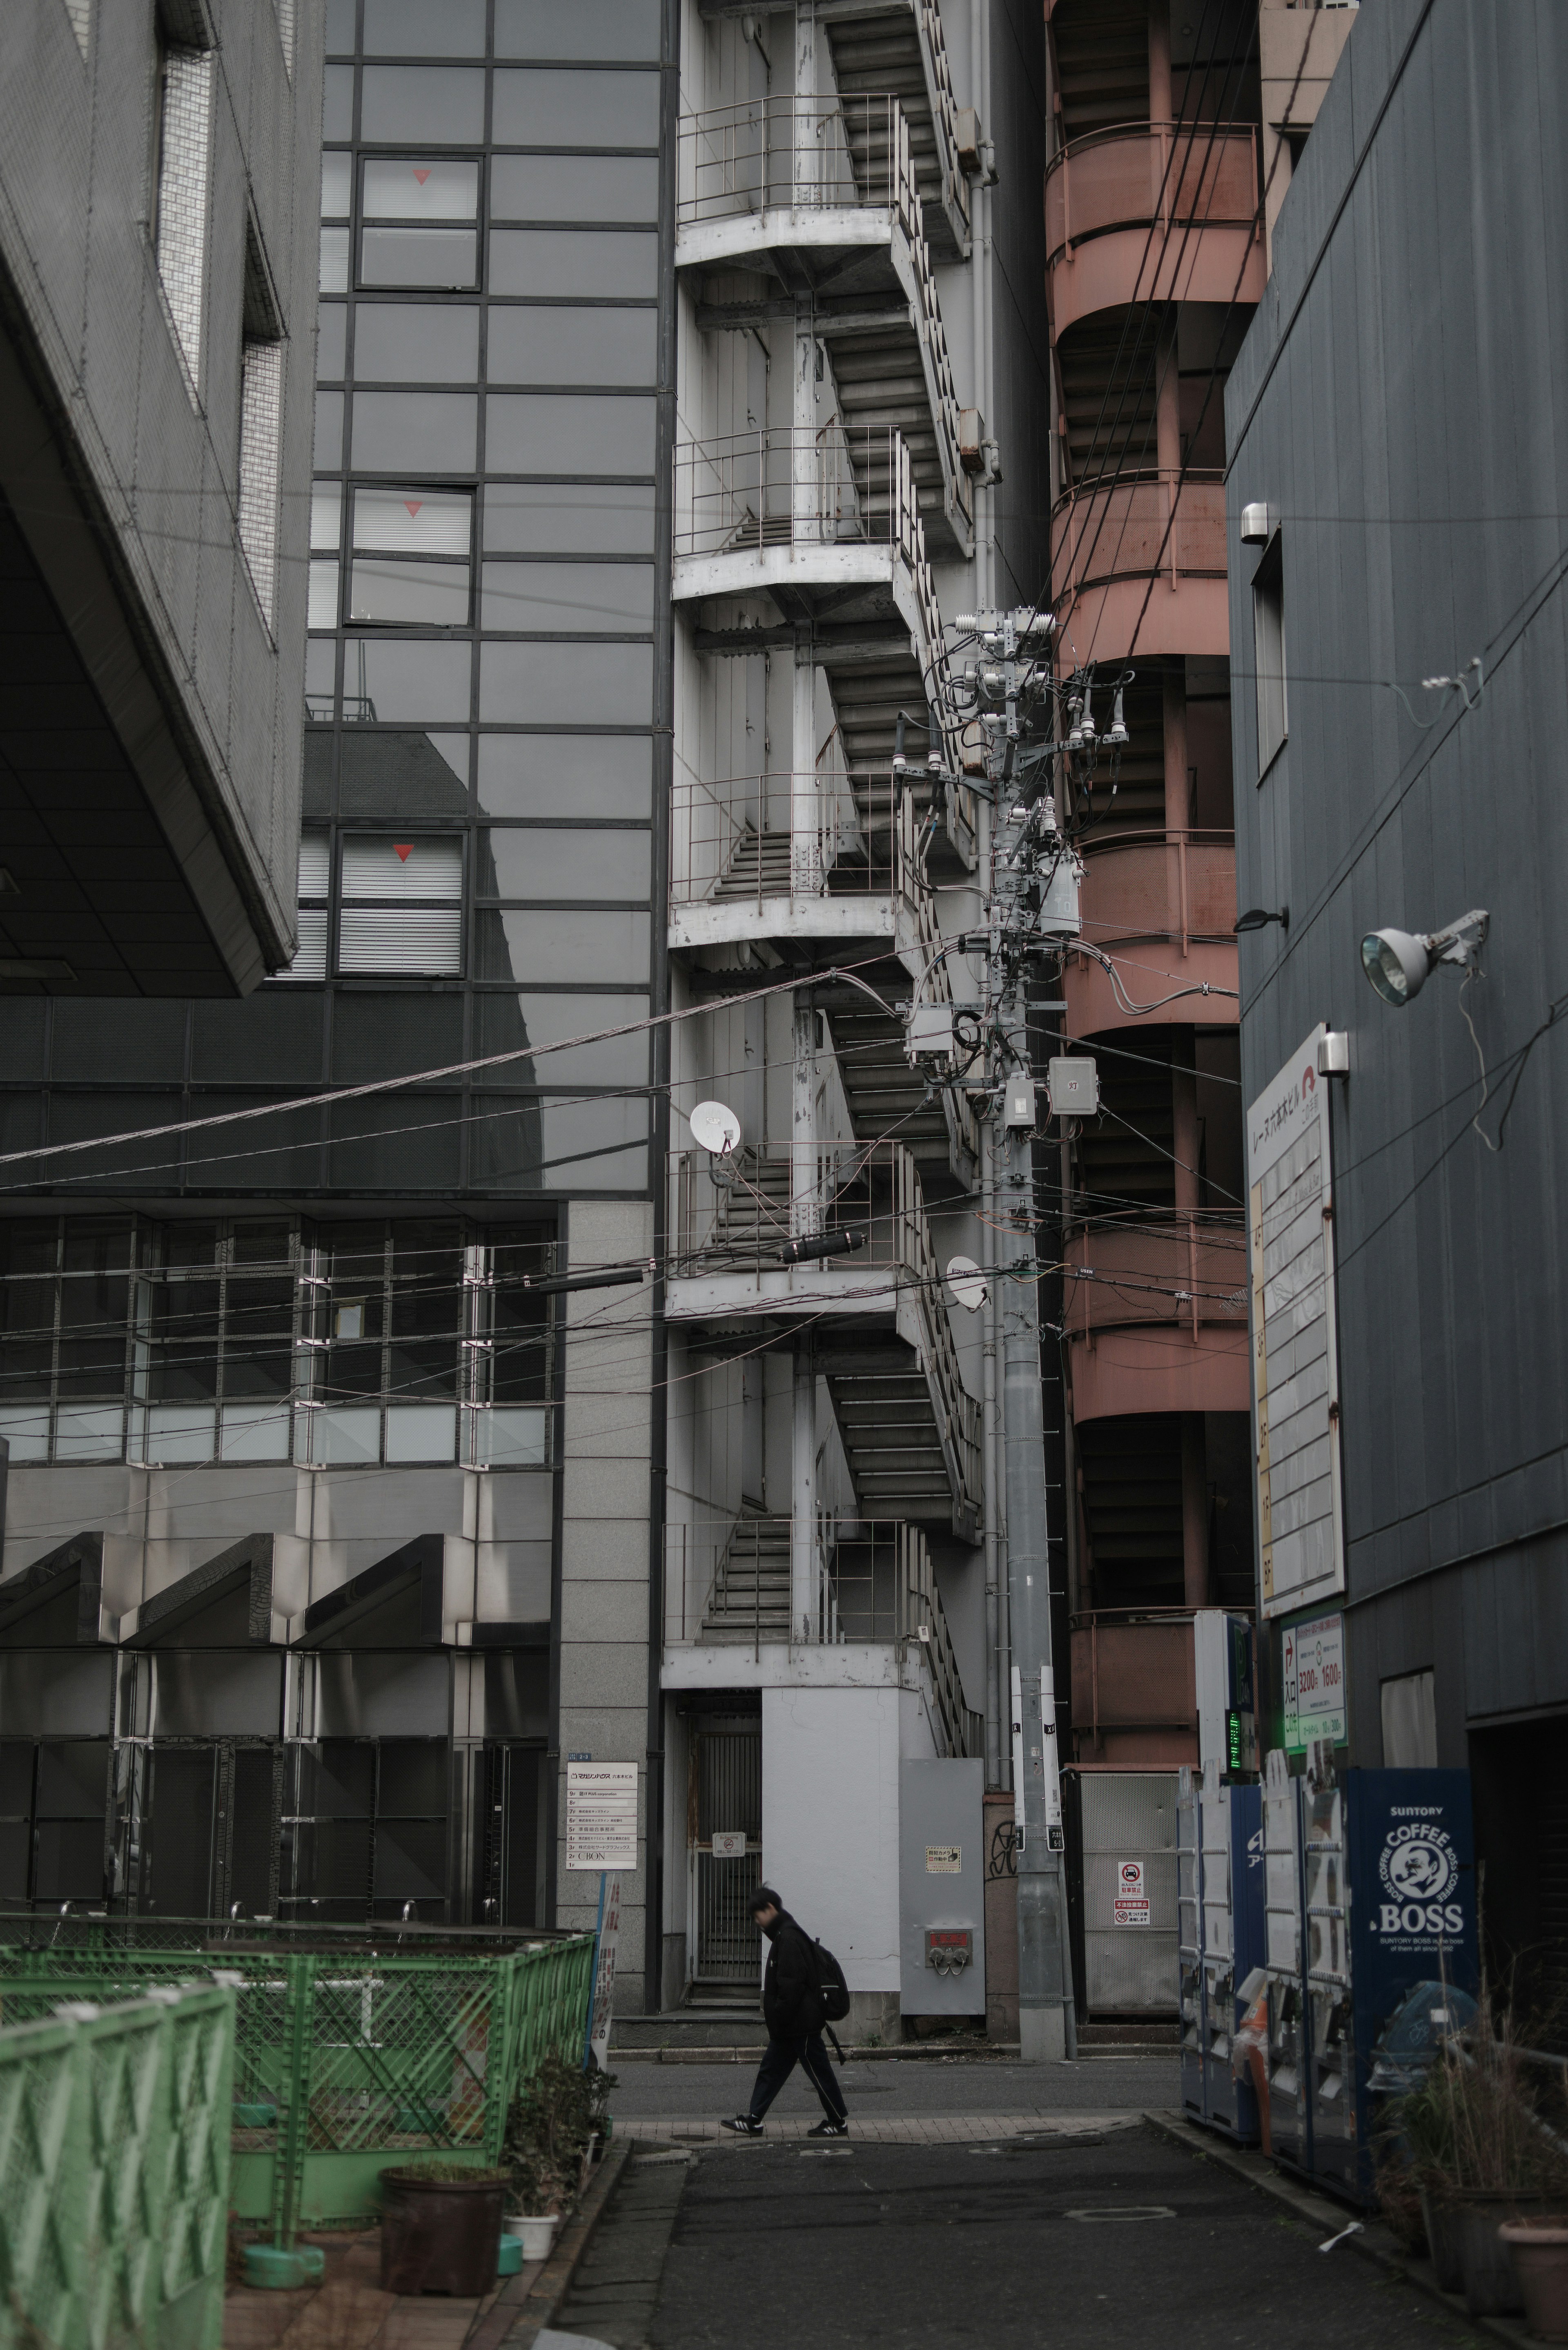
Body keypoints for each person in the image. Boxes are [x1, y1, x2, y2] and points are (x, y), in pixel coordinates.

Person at [721, 1884, 849, 2138]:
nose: (758, 1923)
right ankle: (754, 2120)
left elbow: (791, 1985)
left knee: (819, 2073)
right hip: (792, 2025)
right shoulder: (787, 1933)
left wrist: (780, 2015)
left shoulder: (788, 1937)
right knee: (772, 2070)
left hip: (799, 2024)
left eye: (758, 1916)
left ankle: (838, 2122)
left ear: (770, 1909)